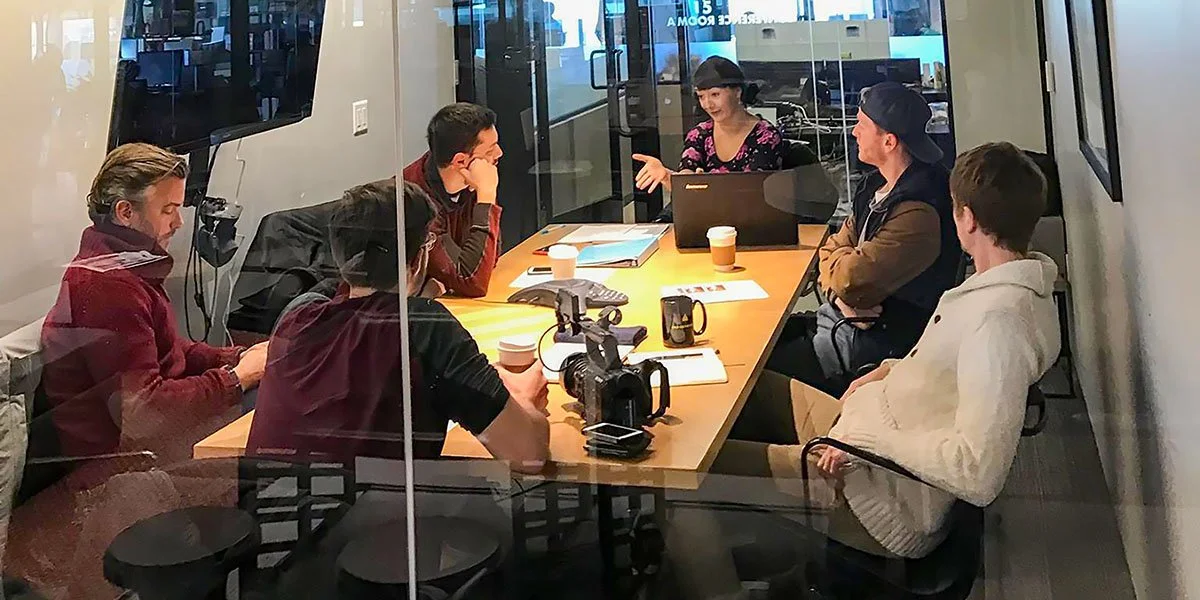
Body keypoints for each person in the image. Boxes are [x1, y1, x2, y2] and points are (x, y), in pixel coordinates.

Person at [665, 141, 1062, 599]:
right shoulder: (1000, 282)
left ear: (968, 218)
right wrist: (886, 371)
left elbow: (976, 472)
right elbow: (942, 371)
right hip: (862, 434)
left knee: (683, 476)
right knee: (740, 387)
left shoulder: (999, 322)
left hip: (879, 496)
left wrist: (866, 441)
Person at [247, 180, 550, 472]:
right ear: (419, 258)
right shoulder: (421, 326)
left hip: (281, 515)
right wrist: (524, 399)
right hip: (372, 518)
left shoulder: (296, 319)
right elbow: (528, 455)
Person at [40, 143, 268, 476]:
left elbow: (169, 349)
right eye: (167, 210)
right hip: (126, 471)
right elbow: (144, 413)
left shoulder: (126, 266)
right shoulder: (108, 286)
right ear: (125, 213)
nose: (178, 222)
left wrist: (235, 359)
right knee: (277, 424)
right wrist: (236, 379)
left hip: (151, 443)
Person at [767, 81, 960, 394]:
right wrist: (840, 295)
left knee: (750, 378)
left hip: (863, 352)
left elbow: (852, 278)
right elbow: (831, 254)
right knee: (761, 339)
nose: (854, 132)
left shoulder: (919, 211)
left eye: (861, 125)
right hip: (837, 323)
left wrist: (844, 284)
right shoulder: (875, 187)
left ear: (888, 142)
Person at [632, 56, 785, 208]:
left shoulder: (766, 136)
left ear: (737, 92)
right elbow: (686, 182)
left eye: (715, 95)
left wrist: (705, 187)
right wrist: (667, 176)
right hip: (705, 220)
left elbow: (750, 193)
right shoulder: (699, 134)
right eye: (701, 97)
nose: (708, 104)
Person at [402, 103, 504, 298]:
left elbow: (490, 258)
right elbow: (472, 282)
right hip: (391, 319)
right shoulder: (415, 201)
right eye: (490, 151)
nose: (499, 154)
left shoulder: (470, 182)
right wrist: (487, 196)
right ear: (460, 161)